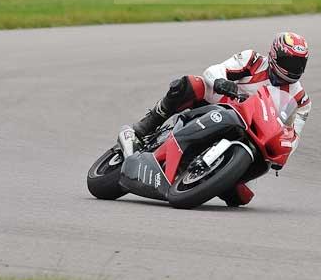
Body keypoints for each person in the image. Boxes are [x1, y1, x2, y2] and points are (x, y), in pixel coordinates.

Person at [132, 31, 311, 206]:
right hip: (227, 108)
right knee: (190, 85)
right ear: (274, 55)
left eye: (299, 64)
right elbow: (215, 70)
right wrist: (220, 81)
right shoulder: (253, 60)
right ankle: (148, 125)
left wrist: (283, 154)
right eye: (289, 62)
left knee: (240, 199)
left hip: (258, 136)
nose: (293, 68)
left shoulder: (301, 99)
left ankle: (213, 175)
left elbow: (293, 135)